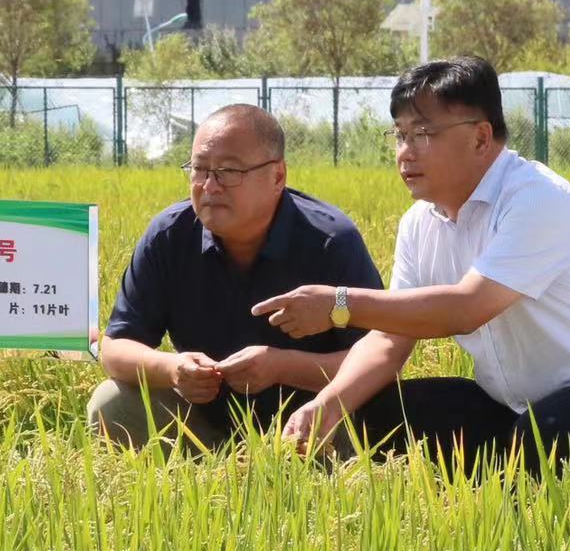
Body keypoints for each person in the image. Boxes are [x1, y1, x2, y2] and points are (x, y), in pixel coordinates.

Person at [251, 56, 570, 483]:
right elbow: (387, 341)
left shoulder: (536, 199)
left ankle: (511, 496)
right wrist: (326, 404)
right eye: (399, 135)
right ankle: (476, 493)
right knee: (373, 413)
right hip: (513, 410)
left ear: (480, 137)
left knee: (553, 431)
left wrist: (337, 304)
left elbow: (468, 307)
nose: (405, 152)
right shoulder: (419, 224)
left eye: (422, 134)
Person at [88, 103, 382, 448]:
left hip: (310, 420)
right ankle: (201, 482)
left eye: (229, 171)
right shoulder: (169, 235)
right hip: (201, 419)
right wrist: (173, 369)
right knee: (111, 405)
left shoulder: (330, 241)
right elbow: (117, 348)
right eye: (199, 170)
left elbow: (378, 360)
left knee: (364, 420)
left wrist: (282, 366)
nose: (209, 186)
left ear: (277, 177)